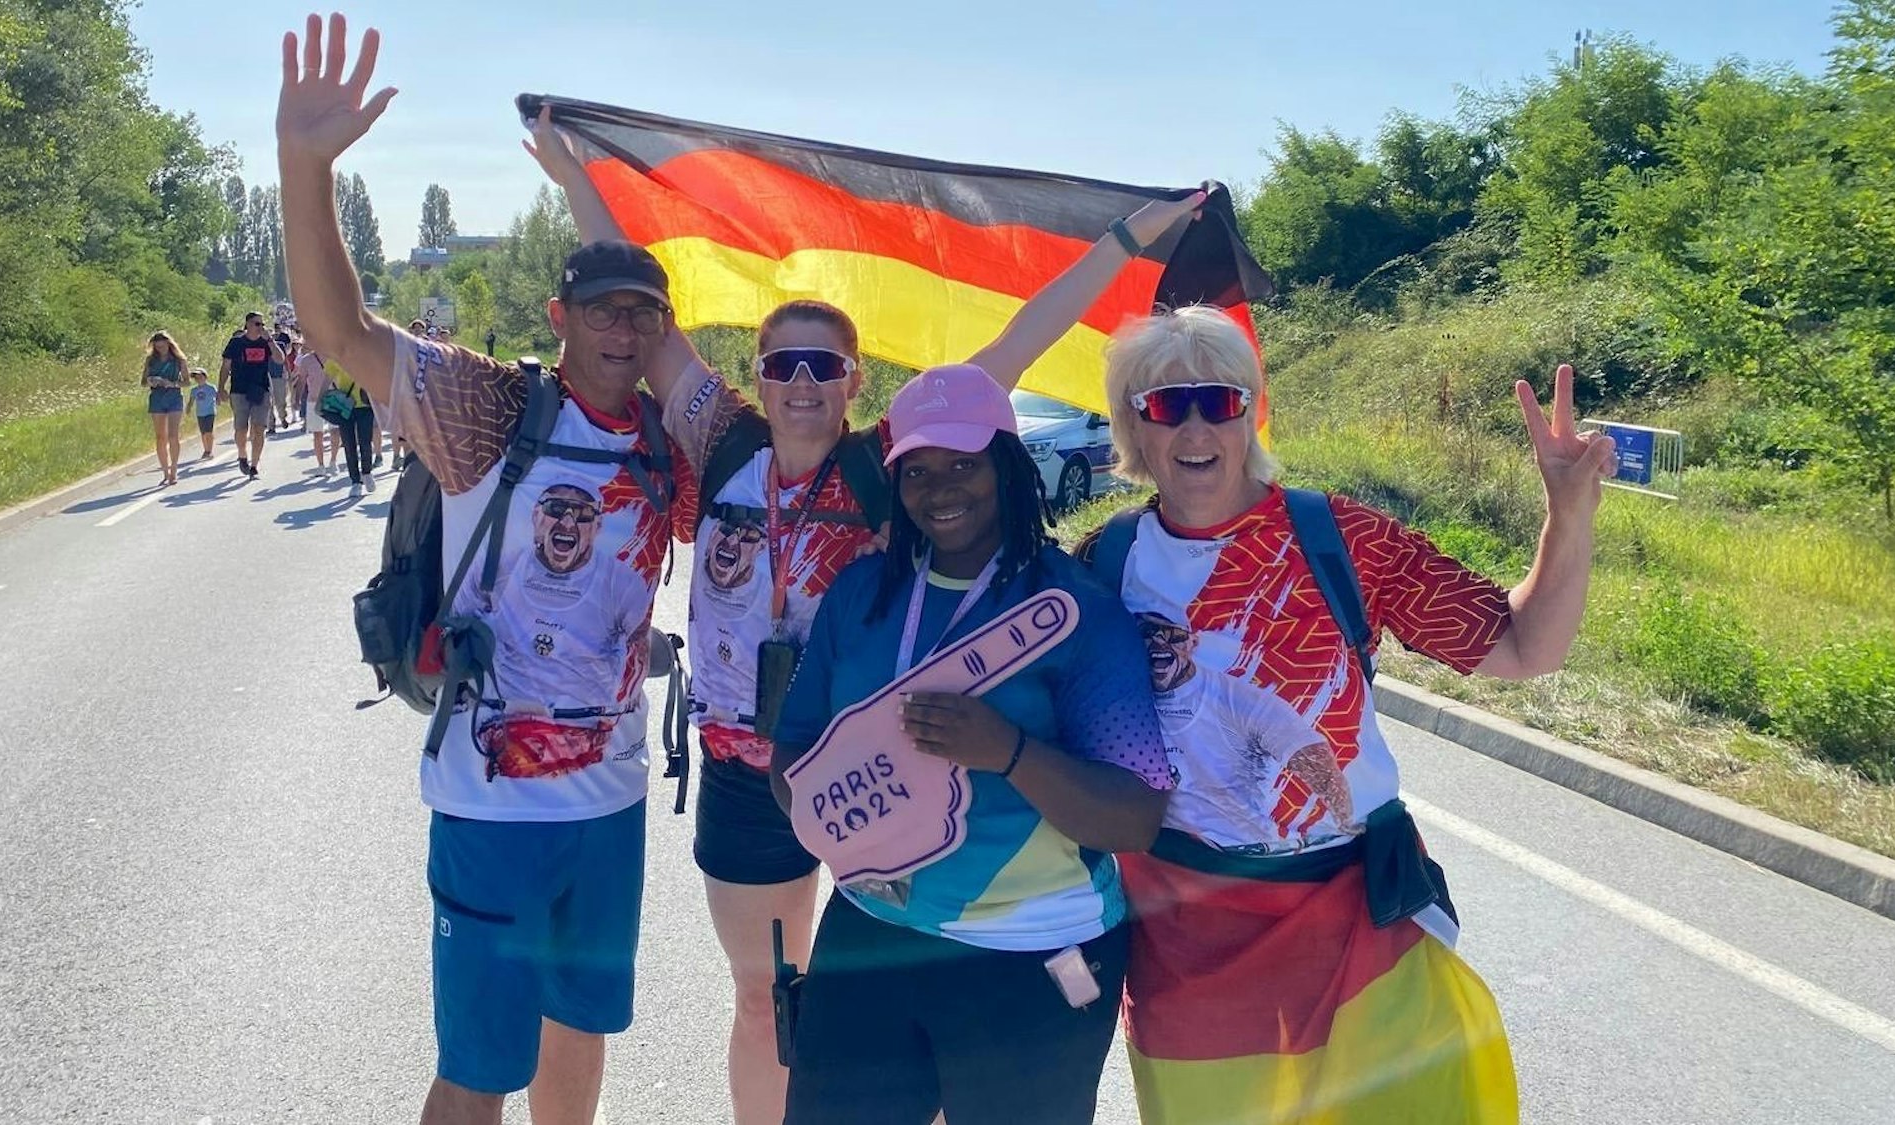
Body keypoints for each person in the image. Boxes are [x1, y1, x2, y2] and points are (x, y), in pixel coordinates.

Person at [525, 104, 1205, 1125]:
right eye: (780, 365)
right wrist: (574, 172)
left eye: (822, 367)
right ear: (755, 376)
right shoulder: (720, 442)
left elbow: (1019, 340)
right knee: (766, 1002)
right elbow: (636, 304)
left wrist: (1123, 238)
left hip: (888, 771)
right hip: (749, 769)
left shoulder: (894, 462)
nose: (800, 383)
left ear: (853, 383)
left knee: (891, 994)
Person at [276, 16, 696, 1124]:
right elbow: (340, 328)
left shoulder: (668, 445)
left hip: (610, 803)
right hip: (490, 805)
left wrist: (579, 181)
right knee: (476, 1069)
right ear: (557, 317)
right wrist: (305, 167)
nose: (621, 328)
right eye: (600, 309)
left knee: (580, 1038)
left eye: (641, 316)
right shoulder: (488, 410)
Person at [1075, 306, 1613, 1124]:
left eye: (1218, 400)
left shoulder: (1339, 537)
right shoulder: (1103, 564)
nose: (1194, 425)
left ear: (1249, 413)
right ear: (1133, 428)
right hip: (1186, 942)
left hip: (1355, 916)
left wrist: (1567, 514)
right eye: (1163, 404)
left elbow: (1524, 647)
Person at [769, 364, 1172, 1125]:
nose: (940, 488)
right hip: (872, 931)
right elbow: (793, 749)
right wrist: (844, 818)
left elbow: (1133, 817)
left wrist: (1009, 751)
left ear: (1008, 467)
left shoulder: (1076, 610)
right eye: (917, 470)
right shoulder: (860, 595)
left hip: (1037, 952)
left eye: (964, 463)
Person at [219, 312, 278, 478]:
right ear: (247, 324)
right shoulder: (236, 343)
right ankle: (242, 455)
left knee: (259, 428)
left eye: (262, 324)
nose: (260, 327)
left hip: (261, 390)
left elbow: (280, 359)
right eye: (256, 323)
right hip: (239, 390)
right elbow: (225, 366)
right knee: (241, 428)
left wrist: (270, 340)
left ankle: (254, 464)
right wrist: (221, 387)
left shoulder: (266, 342)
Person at [143, 331, 189, 485]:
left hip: (174, 397)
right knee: (160, 436)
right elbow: (143, 381)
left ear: (169, 344)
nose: (160, 349)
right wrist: (151, 381)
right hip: (157, 398)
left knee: (173, 435)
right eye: (157, 347)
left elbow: (187, 382)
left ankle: (174, 470)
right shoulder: (151, 360)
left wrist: (173, 383)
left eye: (163, 346)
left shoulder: (179, 360)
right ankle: (165, 471)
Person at [326, 359, 377, 496]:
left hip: (364, 405)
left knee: (365, 442)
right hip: (345, 405)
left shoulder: (364, 355)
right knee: (349, 444)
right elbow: (327, 381)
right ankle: (355, 481)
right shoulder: (335, 358)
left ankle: (367, 472)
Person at [294, 336, 338, 477]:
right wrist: (297, 399)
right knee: (317, 433)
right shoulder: (306, 360)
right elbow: (301, 381)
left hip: (332, 398)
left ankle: (333, 461)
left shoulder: (334, 357)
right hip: (313, 399)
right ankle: (320, 464)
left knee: (335, 431)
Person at [186, 368, 219, 460]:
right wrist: (188, 408)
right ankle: (206, 449)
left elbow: (217, 396)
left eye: (200, 376)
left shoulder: (211, 388)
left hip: (210, 412)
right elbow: (191, 401)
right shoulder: (194, 390)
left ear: (205, 377)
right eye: (196, 377)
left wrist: (218, 401)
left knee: (209, 431)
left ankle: (209, 451)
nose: (198, 379)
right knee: (203, 433)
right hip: (200, 413)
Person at [271, 330, 297, 430]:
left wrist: (289, 373)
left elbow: (285, 360)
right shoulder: (261, 345)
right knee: (268, 403)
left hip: (279, 376)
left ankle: (282, 418)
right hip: (265, 377)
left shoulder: (280, 345)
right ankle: (271, 425)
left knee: (280, 400)